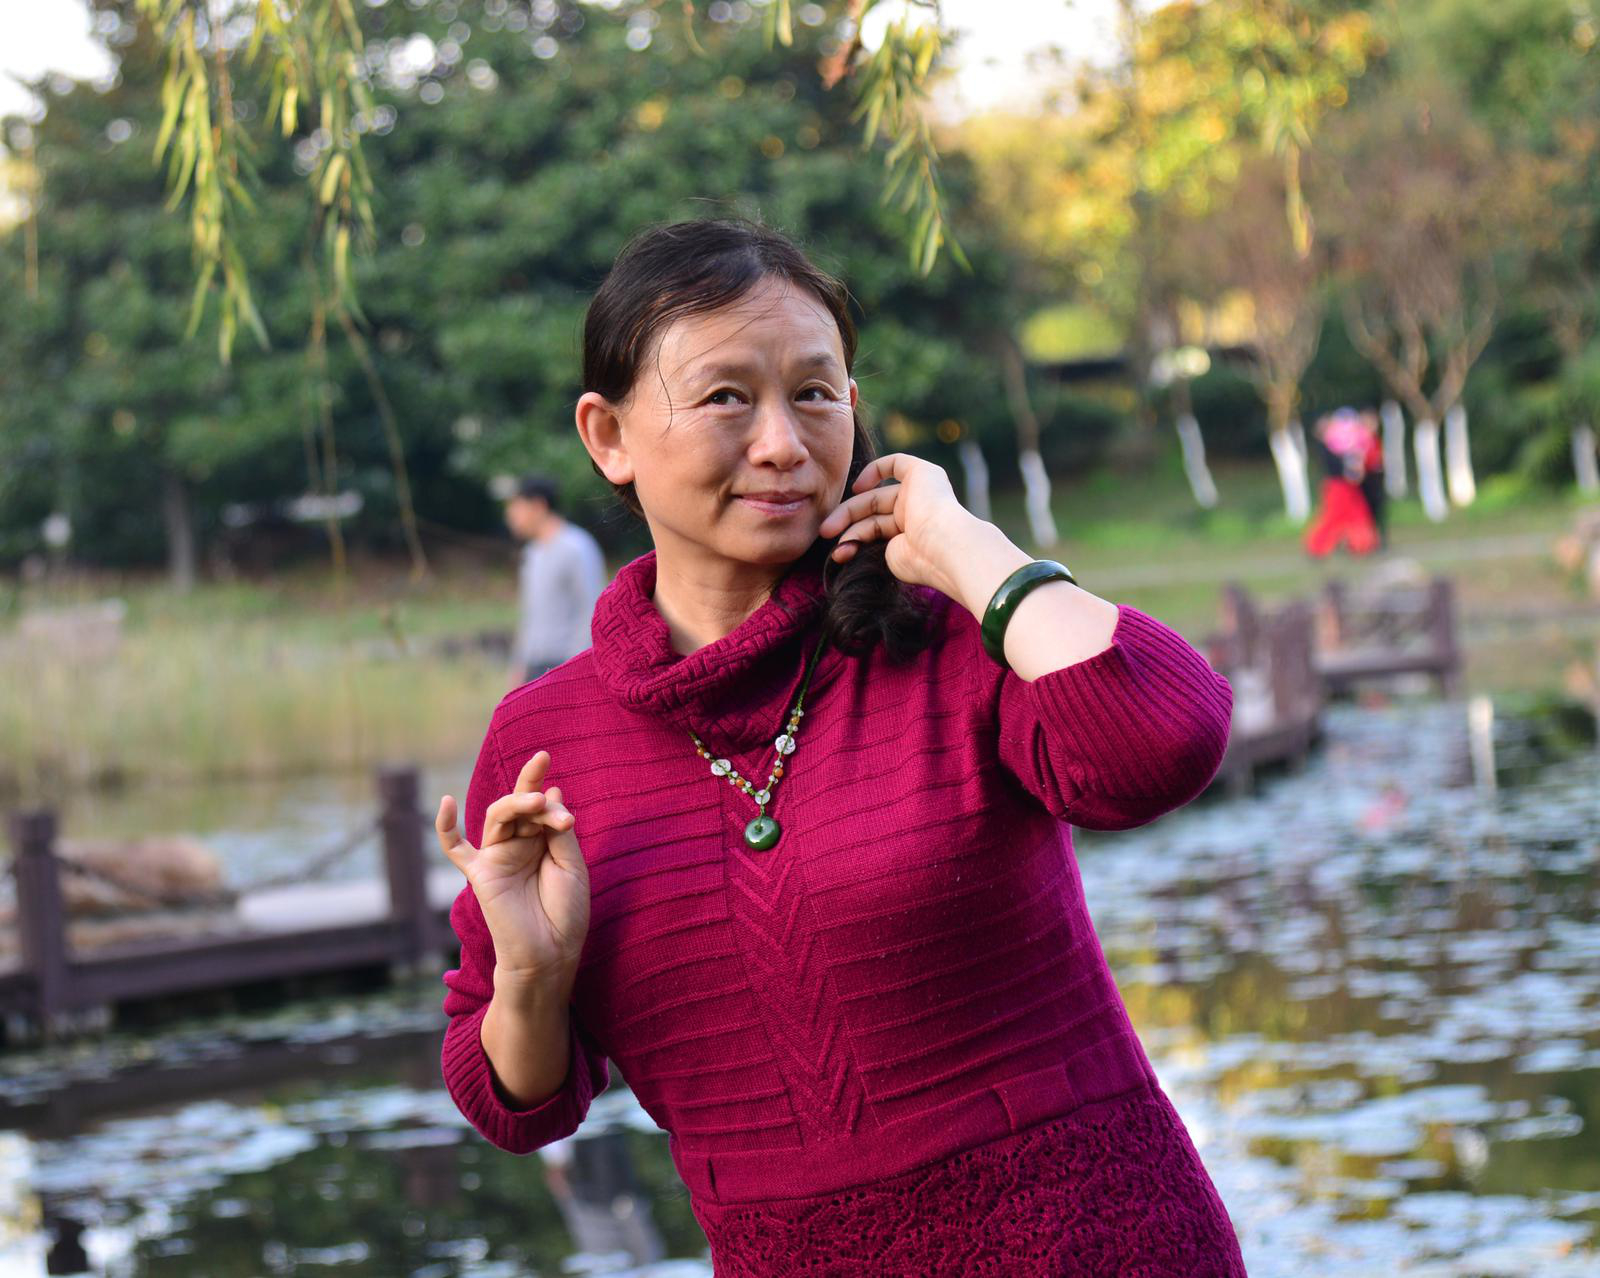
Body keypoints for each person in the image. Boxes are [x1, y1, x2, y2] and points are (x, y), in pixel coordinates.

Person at [434, 219, 1245, 1276]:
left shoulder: (950, 636)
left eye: (816, 393)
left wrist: (968, 550)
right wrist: (533, 973)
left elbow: (1165, 744)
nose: (783, 443)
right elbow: (513, 1104)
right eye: (727, 397)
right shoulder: (546, 742)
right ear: (608, 435)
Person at [503, 474, 606, 684]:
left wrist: (577, 672)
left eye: (516, 506)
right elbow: (531, 615)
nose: (510, 514)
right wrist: (520, 664)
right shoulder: (532, 553)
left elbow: (592, 609)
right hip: (535, 665)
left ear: (538, 506)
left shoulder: (576, 547)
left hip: (566, 665)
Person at [1305, 409, 1379, 558]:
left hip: (1347, 487)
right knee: (1333, 518)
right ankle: (1316, 546)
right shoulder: (1327, 447)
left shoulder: (1334, 445)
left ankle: (1361, 545)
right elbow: (1336, 468)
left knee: (1358, 516)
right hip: (1337, 487)